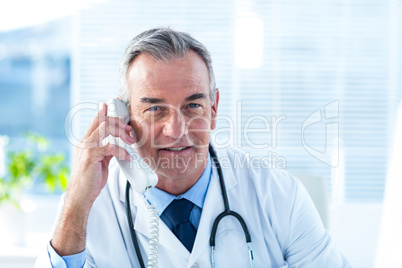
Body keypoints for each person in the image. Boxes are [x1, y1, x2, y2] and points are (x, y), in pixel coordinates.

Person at [35, 27, 350, 267]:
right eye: (155, 109)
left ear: (213, 109)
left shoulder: (277, 193)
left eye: (193, 106)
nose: (176, 130)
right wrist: (75, 203)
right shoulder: (90, 209)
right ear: (125, 117)